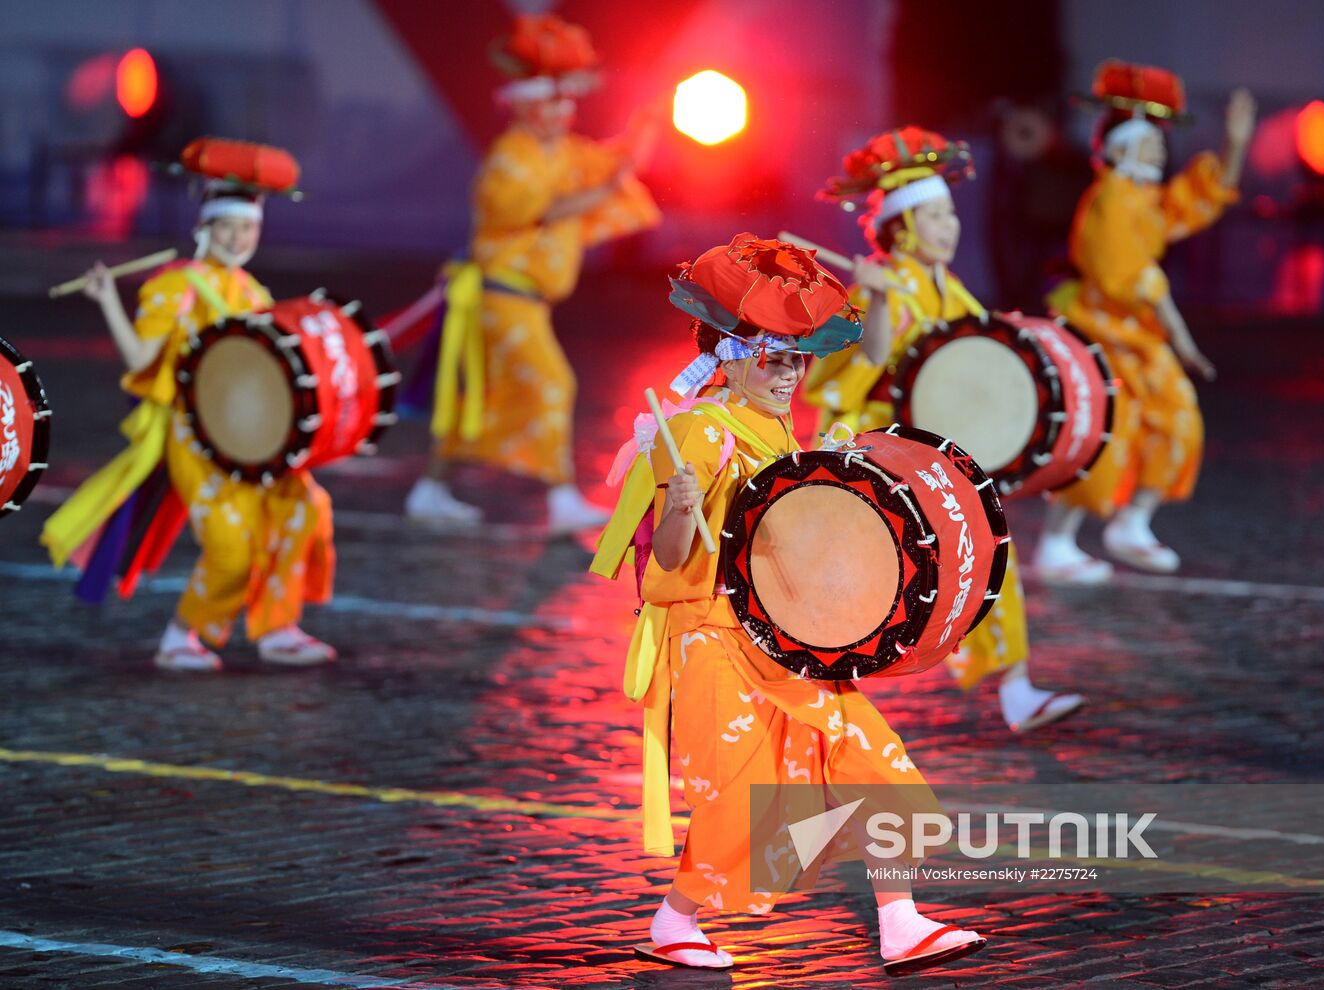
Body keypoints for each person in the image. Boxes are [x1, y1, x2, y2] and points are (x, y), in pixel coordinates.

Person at [590, 233, 987, 972]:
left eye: (797, 360)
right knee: (738, 801)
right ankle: (674, 919)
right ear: (734, 356)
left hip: (786, 637)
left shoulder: (774, 424)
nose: (790, 375)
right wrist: (677, 504)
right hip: (713, 640)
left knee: (872, 759)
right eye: (775, 360)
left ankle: (900, 919)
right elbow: (669, 559)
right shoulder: (696, 432)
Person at [806, 127, 1082, 732]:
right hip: (877, 451)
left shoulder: (942, 285)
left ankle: (1015, 688)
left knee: (985, 551)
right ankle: (820, 688)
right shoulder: (887, 285)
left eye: (951, 214)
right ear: (902, 228)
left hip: (923, 452)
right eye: (934, 216)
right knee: (861, 580)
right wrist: (874, 301)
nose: (950, 227)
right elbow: (871, 357)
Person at [41, 141, 336, 672]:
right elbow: (138, 357)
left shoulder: (255, 292)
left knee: (303, 509)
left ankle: (277, 626)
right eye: (226, 227)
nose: (237, 239)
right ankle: (181, 636)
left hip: (247, 433)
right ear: (204, 227)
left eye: (247, 229)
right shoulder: (174, 286)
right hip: (195, 436)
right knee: (230, 546)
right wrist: (109, 299)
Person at [404, 12, 662, 534]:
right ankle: (562, 497)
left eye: (567, 101)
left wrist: (649, 124)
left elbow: (614, 166)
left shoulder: (564, 154)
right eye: (552, 101)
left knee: (488, 397)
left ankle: (429, 488)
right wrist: (604, 189)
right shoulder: (509, 159)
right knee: (552, 383)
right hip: (501, 296)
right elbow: (544, 210)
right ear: (524, 103)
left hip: (524, 302)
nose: (563, 111)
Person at [1033, 61, 1256, 581]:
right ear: (1121, 150)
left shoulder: (1142, 198)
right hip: (1098, 334)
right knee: (1102, 435)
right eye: (1149, 143)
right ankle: (1057, 542)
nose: (1159, 151)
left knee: (1177, 418)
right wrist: (1177, 329)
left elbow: (1193, 203)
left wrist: (1235, 144)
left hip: (1139, 338)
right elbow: (1122, 277)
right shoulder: (1109, 200)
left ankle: (1131, 523)